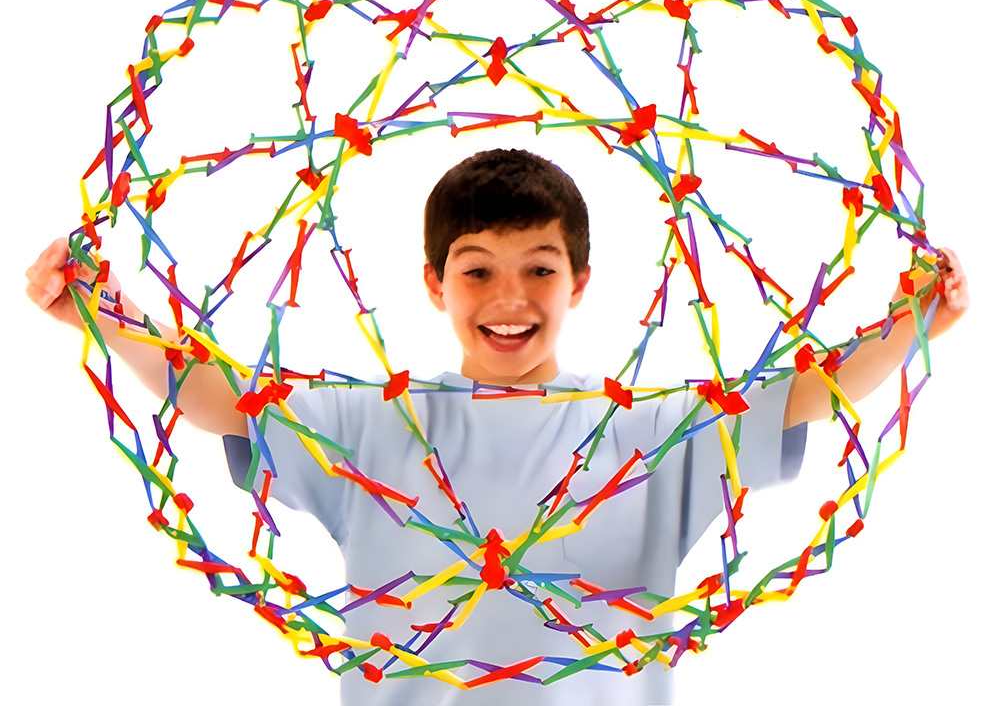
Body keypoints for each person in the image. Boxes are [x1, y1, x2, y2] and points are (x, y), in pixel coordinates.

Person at [25, 148, 969, 705]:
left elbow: (810, 391)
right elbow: (218, 397)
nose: (509, 299)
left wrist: (914, 316)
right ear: (435, 283)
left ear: (580, 283)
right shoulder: (373, 425)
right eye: (476, 270)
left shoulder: (645, 431)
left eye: (540, 269)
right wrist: (105, 309)